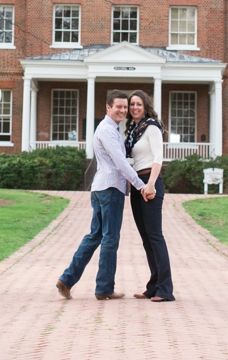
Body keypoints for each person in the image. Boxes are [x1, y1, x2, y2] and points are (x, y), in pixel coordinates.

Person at [57, 90, 155, 300]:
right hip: (110, 189)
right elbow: (120, 163)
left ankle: (66, 279)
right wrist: (140, 185)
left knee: (95, 236)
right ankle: (103, 288)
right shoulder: (108, 130)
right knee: (110, 238)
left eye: (124, 107)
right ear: (108, 107)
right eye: (117, 107)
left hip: (102, 187)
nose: (122, 110)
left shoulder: (110, 129)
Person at [124, 89, 174, 302]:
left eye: (138, 104)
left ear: (145, 106)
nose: (135, 107)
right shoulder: (133, 130)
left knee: (155, 236)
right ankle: (153, 286)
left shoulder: (151, 127)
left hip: (150, 183)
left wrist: (151, 184)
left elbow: (158, 157)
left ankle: (165, 289)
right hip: (137, 185)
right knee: (146, 239)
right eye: (132, 104)